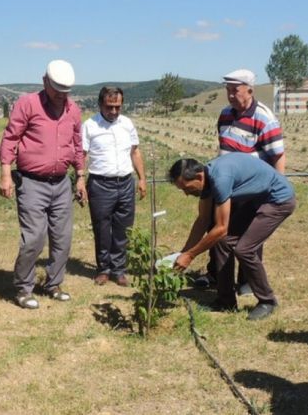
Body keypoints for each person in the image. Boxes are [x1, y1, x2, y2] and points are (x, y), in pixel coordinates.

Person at [0, 59, 85, 309]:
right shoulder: (28, 104)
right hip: (32, 182)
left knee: (63, 237)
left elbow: (77, 145)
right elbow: (10, 138)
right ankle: (24, 288)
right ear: (45, 81)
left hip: (61, 184)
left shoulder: (73, 110)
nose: (60, 96)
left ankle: (54, 283)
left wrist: (80, 177)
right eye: (56, 90)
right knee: (34, 238)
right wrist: (5, 173)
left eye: (65, 91)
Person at [169, 154, 296, 320]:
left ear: (199, 176)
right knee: (222, 242)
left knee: (244, 250)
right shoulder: (206, 181)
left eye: (187, 188)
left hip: (278, 200)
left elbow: (221, 228)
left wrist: (191, 255)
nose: (186, 193)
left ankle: (267, 301)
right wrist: (183, 253)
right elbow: (203, 220)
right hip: (256, 200)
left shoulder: (220, 178)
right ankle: (225, 301)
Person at [195, 69, 286, 297]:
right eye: (228, 90)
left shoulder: (264, 118)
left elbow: (277, 156)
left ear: (250, 90)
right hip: (226, 186)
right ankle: (217, 274)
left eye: (235, 90)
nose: (230, 95)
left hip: (254, 189)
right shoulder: (225, 114)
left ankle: (246, 282)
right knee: (218, 231)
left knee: (247, 238)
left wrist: (272, 192)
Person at [82, 87, 146, 287]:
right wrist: (80, 181)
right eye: (110, 107)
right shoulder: (89, 126)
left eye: (118, 107)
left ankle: (119, 269)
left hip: (126, 183)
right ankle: (103, 269)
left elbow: (135, 152)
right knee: (102, 228)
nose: (114, 111)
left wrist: (142, 178)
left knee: (123, 228)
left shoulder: (127, 124)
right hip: (100, 184)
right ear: (100, 104)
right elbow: (81, 156)